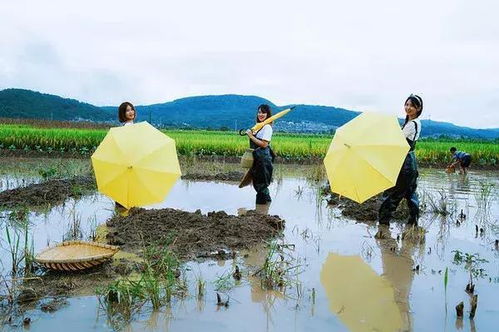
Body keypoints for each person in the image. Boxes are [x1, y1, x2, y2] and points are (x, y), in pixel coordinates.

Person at [379, 94, 423, 226]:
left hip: (405, 164)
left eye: (412, 106)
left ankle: (383, 225)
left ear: (418, 108)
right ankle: (413, 224)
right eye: (407, 104)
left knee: (392, 193)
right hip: (410, 161)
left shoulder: (411, 125)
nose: (408, 108)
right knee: (410, 193)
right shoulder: (412, 123)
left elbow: (395, 141)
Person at [245, 104, 275, 209]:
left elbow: (264, 144)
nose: (260, 114)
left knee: (261, 185)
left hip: (263, 159)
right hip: (258, 158)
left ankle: (260, 213)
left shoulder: (267, 127)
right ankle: (265, 210)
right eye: (259, 112)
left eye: (263, 112)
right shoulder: (259, 127)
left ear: (268, 114)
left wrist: (250, 136)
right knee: (259, 184)